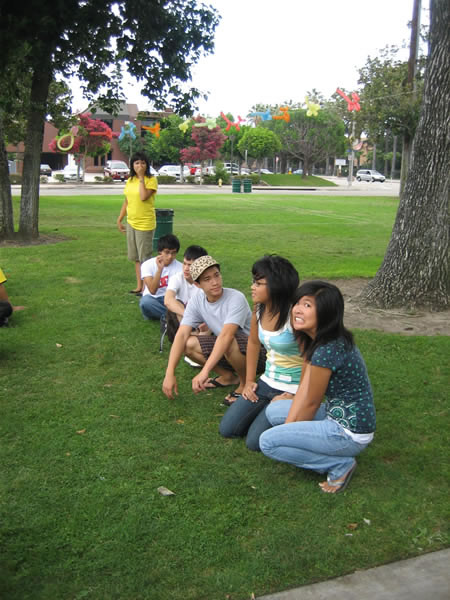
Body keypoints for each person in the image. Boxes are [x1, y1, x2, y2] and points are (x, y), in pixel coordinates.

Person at [259, 281, 376, 494]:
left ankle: (339, 465)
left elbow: (311, 403)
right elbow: (304, 388)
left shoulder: (327, 350)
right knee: (274, 410)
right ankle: (326, 451)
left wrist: (289, 432)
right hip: (336, 414)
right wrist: (290, 427)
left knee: (268, 442)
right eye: (298, 303)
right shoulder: (319, 340)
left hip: (348, 432)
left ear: (326, 312)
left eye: (307, 305)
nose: (297, 310)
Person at [219, 255, 301, 451]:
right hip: (267, 381)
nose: (252, 287)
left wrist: (295, 395)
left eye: (258, 283)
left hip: (293, 388)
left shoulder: (295, 316)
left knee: (254, 442)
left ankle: (300, 416)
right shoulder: (259, 308)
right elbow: (254, 343)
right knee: (227, 429)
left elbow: (311, 359)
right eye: (253, 281)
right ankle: (271, 410)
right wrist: (248, 382)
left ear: (276, 286)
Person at [162, 255, 266, 404]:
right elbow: (182, 334)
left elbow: (226, 336)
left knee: (228, 341)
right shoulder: (197, 301)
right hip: (228, 350)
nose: (215, 282)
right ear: (197, 284)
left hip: (256, 354)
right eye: (207, 279)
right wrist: (169, 372)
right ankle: (228, 377)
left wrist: (204, 371)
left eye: (216, 275)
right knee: (188, 344)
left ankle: (244, 383)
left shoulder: (236, 298)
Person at [117, 151, 158, 295]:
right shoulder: (130, 180)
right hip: (131, 222)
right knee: (135, 258)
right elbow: (127, 201)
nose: (140, 165)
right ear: (132, 165)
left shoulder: (150, 180)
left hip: (145, 224)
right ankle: (139, 286)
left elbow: (143, 196)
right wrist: (120, 219)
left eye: (143, 163)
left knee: (145, 258)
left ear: (147, 165)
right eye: (136, 163)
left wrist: (141, 178)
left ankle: (147, 289)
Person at [164, 244, 209, 343]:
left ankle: (195, 339)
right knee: (176, 303)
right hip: (181, 323)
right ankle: (191, 338)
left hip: (201, 323)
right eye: (184, 263)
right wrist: (189, 315)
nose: (186, 268)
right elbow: (168, 300)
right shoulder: (177, 278)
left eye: (190, 265)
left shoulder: (207, 281)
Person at [139, 234, 182, 320]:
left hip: (171, 299)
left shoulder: (180, 267)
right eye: (167, 252)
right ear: (160, 252)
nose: (170, 256)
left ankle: (168, 316)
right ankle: (173, 316)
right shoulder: (147, 265)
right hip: (153, 299)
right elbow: (152, 290)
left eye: (173, 253)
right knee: (145, 303)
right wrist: (160, 269)